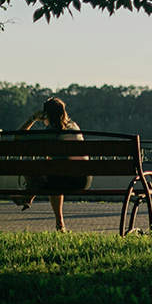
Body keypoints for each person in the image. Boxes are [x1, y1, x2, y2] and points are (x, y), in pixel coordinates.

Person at [13, 97, 92, 232]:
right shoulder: (73, 126)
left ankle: (29, 195)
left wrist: (32, 118)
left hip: (66, 178)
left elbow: (17, 136)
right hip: (84, 179)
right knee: (53, 175)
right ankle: (58, 223)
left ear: (46, 115)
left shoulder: (51, 133)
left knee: (32, 168)